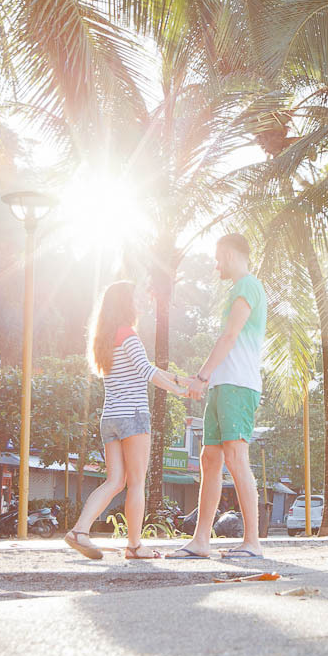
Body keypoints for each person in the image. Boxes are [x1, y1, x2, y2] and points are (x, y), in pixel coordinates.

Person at [64, 281, 190, 560]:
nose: (140, 302)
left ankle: (79, 531)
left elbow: (148, 369)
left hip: (110, 417)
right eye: (135, 297)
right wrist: (180, 390)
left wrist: (181, 380)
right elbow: (147, 371)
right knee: (135, 483)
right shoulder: (129, 335)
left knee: (114, 480)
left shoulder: (106, 338)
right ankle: (134, 546)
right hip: (133, 416)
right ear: (125, 303)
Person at [168, 233, 267, 560]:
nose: (216, 264)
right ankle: (200, 540)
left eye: (218, 257)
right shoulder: (236, 289)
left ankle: (252, 542)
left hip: (238, 386)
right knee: (210, 460)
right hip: (223, 386)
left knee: (237, 459)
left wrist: (201, 376)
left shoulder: (248, 285)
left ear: (229, 253)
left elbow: (230, 336)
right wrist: (206, 380)